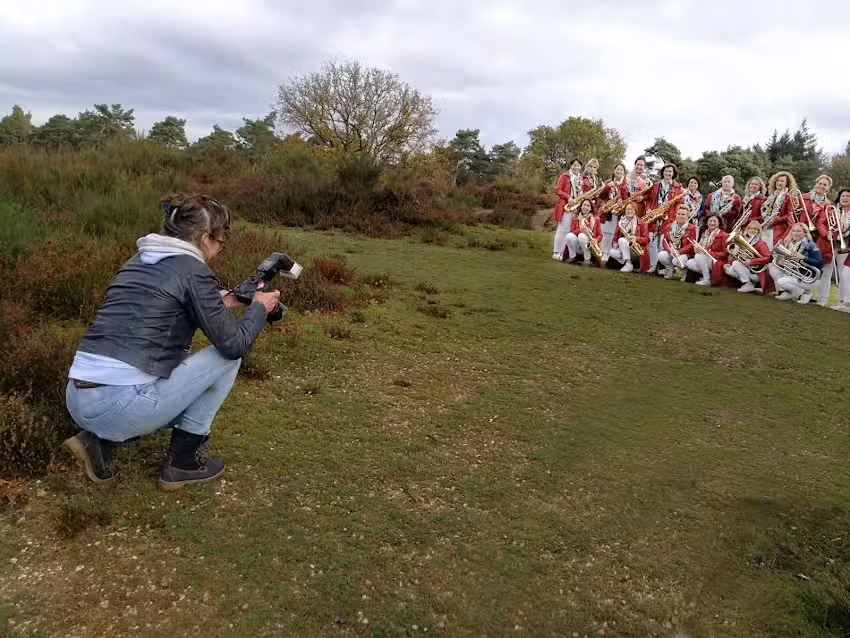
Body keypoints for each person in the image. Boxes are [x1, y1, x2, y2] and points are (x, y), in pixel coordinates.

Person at [63, 193, 282, 490]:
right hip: (119, 406)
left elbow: (153, 306)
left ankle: (97, 442)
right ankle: (183, 461)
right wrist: (259, 308)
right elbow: (233, 344)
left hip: (77, 399)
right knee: (227, 358)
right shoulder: (193, 270)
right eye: (221, 243)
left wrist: (221, 300)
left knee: (180, 364)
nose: (218, 250)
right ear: (205, 238)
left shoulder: (140, 260)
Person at [769, 222, 824, 303]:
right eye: (794, 231)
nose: (795, 233)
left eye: (798, 231)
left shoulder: (811, 245)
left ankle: (805, 293)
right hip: (796, 274)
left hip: (810, 278)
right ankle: (789, 293)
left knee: (781, 281)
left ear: (805, 233)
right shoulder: (791, 244)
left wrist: (804, 258)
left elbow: (820, 263)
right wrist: (783, 261)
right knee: (773, 268)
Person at [643, 163, 683, 271]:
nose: (668, 173)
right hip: (654, 215)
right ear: (663, 172)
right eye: (666, 171)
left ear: (673, 173)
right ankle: (653, 266)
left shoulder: (678, 187)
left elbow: (679, 203)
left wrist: (676, 215)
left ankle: (661, 268)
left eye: (670, 171)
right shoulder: (656, 185)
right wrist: (648, 210)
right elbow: (650, 200)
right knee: (651, 242)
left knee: (662, 243)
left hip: (668, 217)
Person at [805, 175, 835, 305]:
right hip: (803, 233)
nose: (822, 186)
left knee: (815, 266)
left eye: (825, 185)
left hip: (818, 237)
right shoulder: (804, 197)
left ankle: (818, 298)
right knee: (804, 265)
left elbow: (825, 223)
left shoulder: (829, 205)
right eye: (820, 183)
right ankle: (804, 294)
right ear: (816, 184)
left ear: (828, 188)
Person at [724, 220, 772, 294]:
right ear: (747, 229)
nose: (752, 230)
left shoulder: (761, 243)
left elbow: (769, 258)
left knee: (736, 263)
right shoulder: (743, 241)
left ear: (758, 231)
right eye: (750, 228)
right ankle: (749, 283)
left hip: (756, 273)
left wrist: (751, 261)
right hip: (746, 269)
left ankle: (748, 284)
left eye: (755, 229)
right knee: (728, 270)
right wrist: (729, 262)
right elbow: (738, 255)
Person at [552, 158, 584, 260]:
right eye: (574, 165)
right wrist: (568, 197)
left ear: (580, 167)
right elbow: (557, 190)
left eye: (578, 165)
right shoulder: (565, 176)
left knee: (569, 231)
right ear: (571, 166)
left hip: (575, 207)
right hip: (565, 206)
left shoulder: (580, 179)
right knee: (562, 229)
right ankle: (556, 252)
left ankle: (563, 252)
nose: (576, 167)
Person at [686, 213, 728, 286]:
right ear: (707, 222)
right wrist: (696, 249)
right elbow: (701, 248)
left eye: (714, 221)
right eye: (710, 221)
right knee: (689, 263)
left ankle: (706, 279)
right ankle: (709, 276)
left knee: (699, 256)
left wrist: (708, 253)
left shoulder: (724, 235)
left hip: (717, 261)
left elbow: (725, 253)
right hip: (706, 259)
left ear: (719, 223)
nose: (712, 223)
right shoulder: (704, 234)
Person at [656, 205, 697, 280]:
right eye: (679, 214)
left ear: (687, 216)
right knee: (661, 255)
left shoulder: (692, 228)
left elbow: (691, 244)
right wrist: (670, 250)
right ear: (676, 214)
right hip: (672, 251)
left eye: (683, 214)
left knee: (676, 261)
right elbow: (665, 242)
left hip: (685, 254)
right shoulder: (669, 226)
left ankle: (684, 270)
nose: (680, 216)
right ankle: (670, 270)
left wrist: (679, 251)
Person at [609, 201, 649, 273]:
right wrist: (615, 243)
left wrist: (636, 239)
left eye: (631, 209)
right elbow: (615, 238)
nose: (629, 211)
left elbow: (646, 239)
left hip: (636, 251)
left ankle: (628, 264)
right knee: (611, 252)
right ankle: (628, 263)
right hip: (624, 248)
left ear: (635, 211)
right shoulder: (620, 223)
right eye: (628, 209)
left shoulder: (642, 223)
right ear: (624, 211)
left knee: (622, 240)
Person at [598, 163, 628, 260]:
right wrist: (607, 187)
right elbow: (601, 196)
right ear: (614, 171)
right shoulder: (608, 182)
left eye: (621, 170)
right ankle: (604, 253)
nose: (619, 171)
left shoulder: (626, 185)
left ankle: (611, 254)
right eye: (617, 169)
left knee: (614, 234)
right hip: (608, 212)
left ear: (624, 172)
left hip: (620, 213)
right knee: (605, 233)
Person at [760, 171, 796, 249]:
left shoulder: (788, 197)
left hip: (778, 229)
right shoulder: (771, 196)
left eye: (782, 181)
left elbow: (789, 215)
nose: (779, 183)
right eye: (778, 180)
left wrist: (775, 221)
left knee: (770, 250)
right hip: (765, 226)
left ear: (787, 183)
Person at [829, 188, 850, 312]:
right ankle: (843, 301)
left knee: (845, 275)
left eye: (848, 196)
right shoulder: (833, 210)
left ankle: (846, 302)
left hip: (846, 247)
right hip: (833, 245)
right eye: (843, 195)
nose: (845, 198)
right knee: (843, 275)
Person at [565, 199, 604, 265]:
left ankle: (587, 259)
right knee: (569, 236)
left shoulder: (596, 219)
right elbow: (572, 232)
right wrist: (580, 230)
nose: (585, 207)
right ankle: (572, 257)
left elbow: (600, 235)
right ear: (581, 206)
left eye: (588, 206)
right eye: (584, 205)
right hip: (578, 245)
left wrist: (596, 240)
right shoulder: (575, 218)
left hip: (590, 245)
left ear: (591, 208)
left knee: (581, 236)